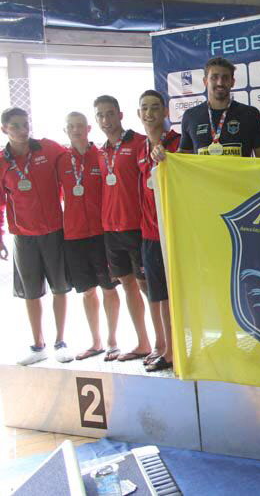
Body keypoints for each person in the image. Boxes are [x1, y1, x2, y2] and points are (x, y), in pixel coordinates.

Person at [0, 107, 72, 365]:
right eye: (15, 126)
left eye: (25, 124)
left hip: (54, 231)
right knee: (31, 293)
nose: (22, 130)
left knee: (60, 288)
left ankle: (61, 341)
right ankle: (38, 345)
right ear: (4, 129)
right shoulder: (1, 162)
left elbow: (72, 162)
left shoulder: (47, 148)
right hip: (23, 236)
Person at [56, 112, 121, 360]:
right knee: (86, 291)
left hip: (101, 233)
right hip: (73, 235)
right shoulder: (61, 159)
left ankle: (113, 341)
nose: (76, 130)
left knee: (109, 287)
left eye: (80, 126)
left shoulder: (102, 156)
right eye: (71, 126)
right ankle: (95, 342)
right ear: (65, 130)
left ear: (89, 128)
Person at [94, 95, 153, 362]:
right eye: (100, 115)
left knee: (148, 287)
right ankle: (143, 343)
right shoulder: (100, 150)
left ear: (120, 114)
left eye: (110, 114)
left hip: (137, 228)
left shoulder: (140, 143)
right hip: (111, 229)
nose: (106, 120)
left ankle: (166, 343)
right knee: (128, 284)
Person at [137, 90, 181, 372]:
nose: (150, 113)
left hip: (175, 231)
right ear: (138, 114)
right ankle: (167, 348)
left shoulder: (177, 143)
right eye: (145, 108)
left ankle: (180, 350)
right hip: (150, 235)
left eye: (155, 107)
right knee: (160, 295)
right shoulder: (140, 148)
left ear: (165, 112)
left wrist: (170, 161)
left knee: (178, 293)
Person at [178, 57, 260, 157]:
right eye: (214, 77)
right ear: (205, 81)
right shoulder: (190, 116)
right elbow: (182, 159)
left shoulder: (250, 114)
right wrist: (163, 155)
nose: (220, 83)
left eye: (225, 78)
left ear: (232, 82)